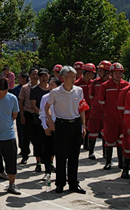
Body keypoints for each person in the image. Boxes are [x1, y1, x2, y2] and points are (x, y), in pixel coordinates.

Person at [45, 65, 87, 194]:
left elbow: (82, 108)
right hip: (62, 125)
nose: (73, 79)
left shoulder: (78, 90)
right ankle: (60, 183)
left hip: (75, 124)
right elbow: (46, 107)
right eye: (70, 77)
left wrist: (83, 125)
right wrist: (50, 121)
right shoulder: (55, 92)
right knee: (61, 155)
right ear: (63, 78)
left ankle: (74, 183)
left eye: (74, 77)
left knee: (74, 156)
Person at [97, 62, 129, 171]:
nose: (118, 75)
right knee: (109, 140)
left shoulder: (126, 86)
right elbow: (101, 101)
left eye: (120, 73)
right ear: (111, 73)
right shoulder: (105, 86)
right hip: (110, 117)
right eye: (116, 73)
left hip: (122, 118)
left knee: (121, 141)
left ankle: (121, 162)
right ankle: (108, 162)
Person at [86, 61, 112, 160]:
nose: (98, 72)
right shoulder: (95, 83)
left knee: (106, 132)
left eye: (101, 70)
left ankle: (105, 152)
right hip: (96, 111)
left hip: (106, 112)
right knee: (93, 131)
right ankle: (91, 151)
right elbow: (91, 95)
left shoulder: (111, 83)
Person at [18, 67, 39, 165]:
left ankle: (38, 157)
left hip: (39, 114)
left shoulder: (42, 87)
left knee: (37, 138)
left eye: (36, 74)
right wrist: (22, 115)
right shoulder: (25, 88)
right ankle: (25, 156)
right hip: (28, 114)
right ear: (29, 76)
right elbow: (21, 102)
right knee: (26, 136)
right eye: (33, 74)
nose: (35, 76)